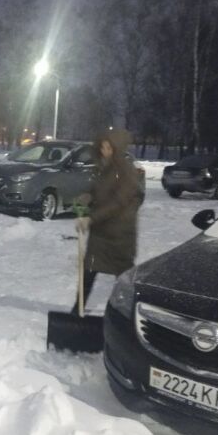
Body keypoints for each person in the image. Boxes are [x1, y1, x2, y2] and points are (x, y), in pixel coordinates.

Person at [72, 127, 142, 316]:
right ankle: (76, 311)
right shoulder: (104, 168)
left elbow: (118, 202)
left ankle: (131, 312)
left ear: (117, 149)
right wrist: (87, 197)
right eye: (102, 147)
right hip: (101, 233)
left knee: (124, 276)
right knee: (89, 269)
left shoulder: (126, 171)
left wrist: (91, 218)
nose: (105, 151)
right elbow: (97, 191)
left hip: (120, 234)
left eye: (109, 148)